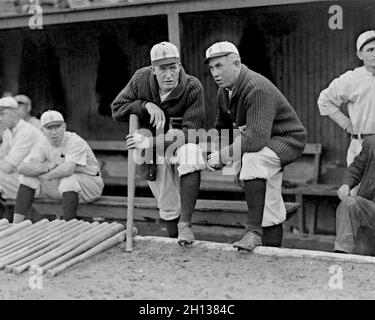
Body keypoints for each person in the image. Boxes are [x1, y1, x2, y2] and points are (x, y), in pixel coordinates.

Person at [204, 41, 307, 251]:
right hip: (265, 141)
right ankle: (271, 253)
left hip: (287, 140)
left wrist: (224, 156)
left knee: (253, 159)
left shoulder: (256, 86)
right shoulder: (224, 92)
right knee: (269, 199)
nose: (215, 73)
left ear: (237, 63)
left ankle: (253, 233)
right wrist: (230, 163)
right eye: (212, 67)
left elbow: (255, 139)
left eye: (220, 66)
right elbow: (223, 127)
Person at [111, 41, 206, 245]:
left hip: (176, 143)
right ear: (153, 69)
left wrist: (151, 142)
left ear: (179, 66)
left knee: (191, 153)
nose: (169, 74)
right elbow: (117, 109)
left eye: (173, 67)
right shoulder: (141, 79)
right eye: (162, 69)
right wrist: (145, 105)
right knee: (167, 200)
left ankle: (185, 226)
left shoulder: (192, 86)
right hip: (150, 150)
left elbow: (192, 134)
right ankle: (176, 243)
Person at [13, 110, 104, 223]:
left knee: (68, 180)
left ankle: (67, 227)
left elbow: (68, 169)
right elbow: (21, 168)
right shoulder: (43, 143)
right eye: (49, 128)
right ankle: (16, 224)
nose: (54, 132)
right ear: (43, 130)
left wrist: (46, 175)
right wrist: (45, 167)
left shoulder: (74, 140)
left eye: (57, 127)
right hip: (63, 188)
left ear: (64, 127)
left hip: (90, 185)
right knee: (26, 179)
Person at [318, 30, 375, 167]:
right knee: (355, 187)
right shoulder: (352, 78)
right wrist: (346, 124)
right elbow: (325, 100)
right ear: (360, 55)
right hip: (361, 145)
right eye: (370, 50)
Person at [335, 136, 375, 254]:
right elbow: (356, 167)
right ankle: (341, 256)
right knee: (348, 203)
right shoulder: (372, 142)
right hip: (371, 208)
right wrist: (346, 184)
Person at [0, 97, 43, 205]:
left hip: (39, 183)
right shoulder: (8, 132)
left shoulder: (26, 132)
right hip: (20, 179)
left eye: (3, 114)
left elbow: (7, 167)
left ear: (15, 113)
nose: (0, 119)